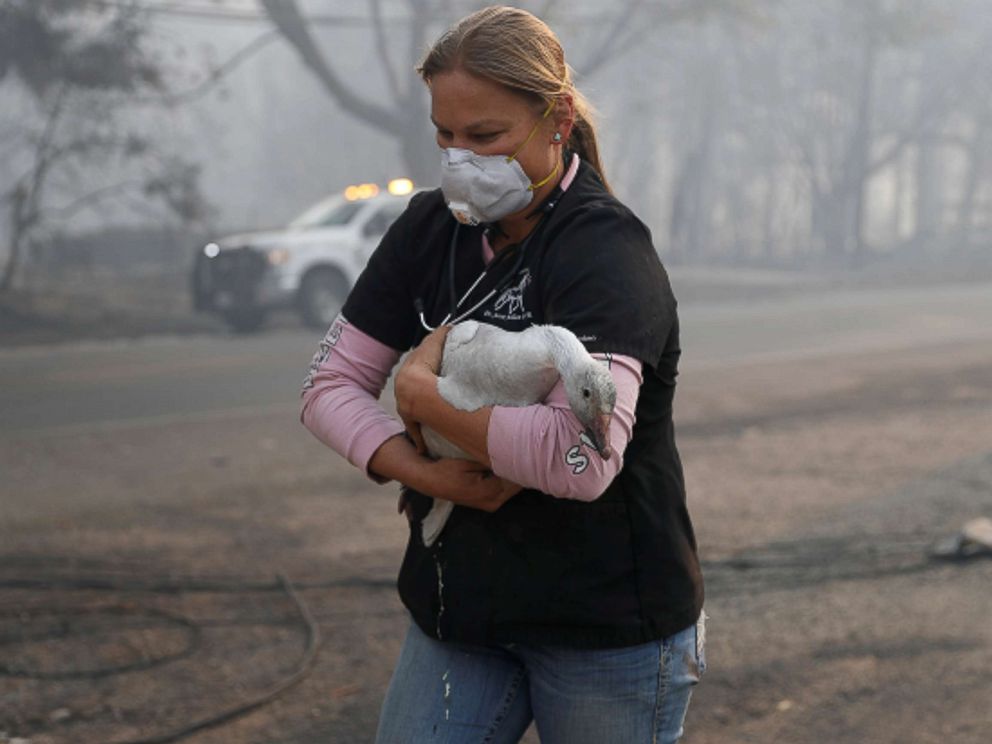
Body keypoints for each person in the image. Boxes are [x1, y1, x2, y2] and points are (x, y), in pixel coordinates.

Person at [300, 6, 705, 742]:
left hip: (604, 624)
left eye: (484, 136)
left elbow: (579, 460)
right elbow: (326, 387)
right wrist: (430, 477)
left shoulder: (606, 252)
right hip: (461, 614)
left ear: (557, 119)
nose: (460, 160)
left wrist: (423, 400)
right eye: (444, 136)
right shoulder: (427, 230)